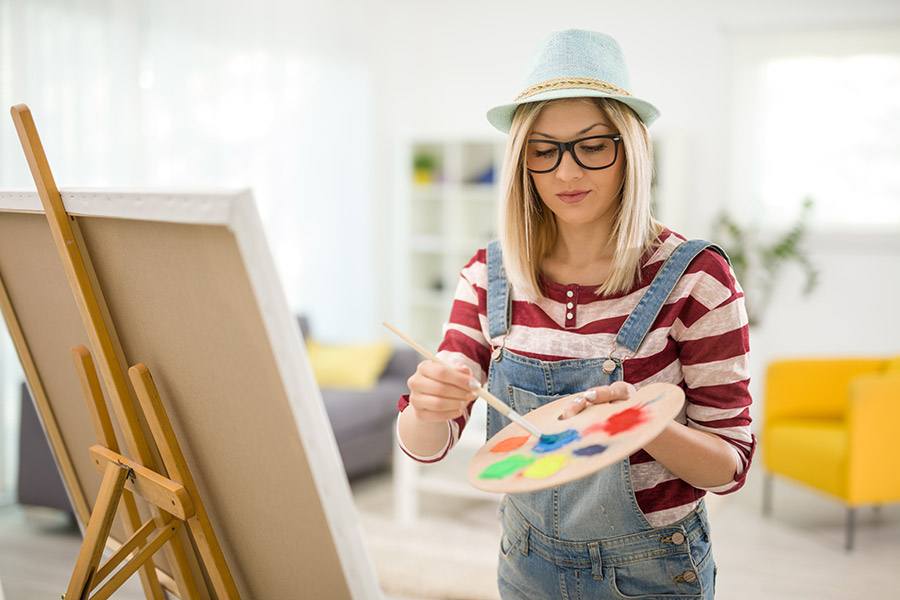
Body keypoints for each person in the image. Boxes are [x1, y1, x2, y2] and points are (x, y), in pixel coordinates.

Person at [396, 29, 754, 599]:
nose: (566, 173)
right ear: (522, 160)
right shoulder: (489, 275)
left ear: (630, 148)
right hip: (524, 560)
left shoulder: (696, 279)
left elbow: (730, 464)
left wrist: (643, 426)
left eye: (592, 145)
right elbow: (427, 443)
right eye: (544, 149)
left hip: (652, 572)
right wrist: (428, 404)